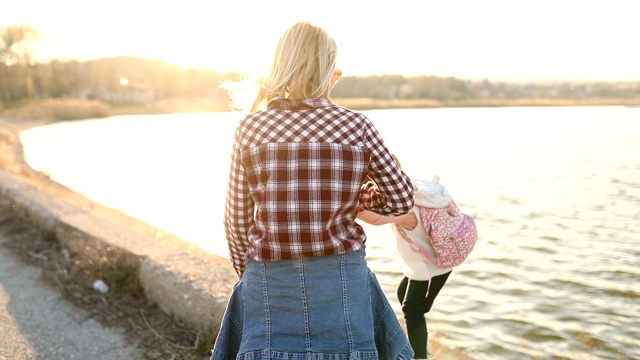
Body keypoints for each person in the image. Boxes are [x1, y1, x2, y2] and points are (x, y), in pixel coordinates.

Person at [211, 22, 416, 360]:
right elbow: (401, 200)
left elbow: (236, 221)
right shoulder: (357, 125)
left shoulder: (250, 128)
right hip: (341, 280)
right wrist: (354, 196)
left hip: (270, 280)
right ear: (326, 71)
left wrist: (254, 278)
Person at [358, 158, 454, 360]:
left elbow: (375, 219)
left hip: (429, 268)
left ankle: (419, 356)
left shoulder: (403, 207)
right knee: (403, 293)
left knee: (412, 311)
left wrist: (352, 208)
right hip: (437, 261)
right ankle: (419, 345)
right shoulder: (413, 190)